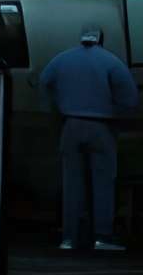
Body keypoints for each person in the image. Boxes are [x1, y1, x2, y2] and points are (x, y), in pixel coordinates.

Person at [36, 24, 137, 255]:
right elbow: (130, 98)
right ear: (101, 39)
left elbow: (43, 81)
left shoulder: (62, 59)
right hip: (101, 127)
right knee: (103, 184)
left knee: (72, 184)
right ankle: (102, 237)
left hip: (70, 125)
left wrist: (53, 107)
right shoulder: (111, 61)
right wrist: (117, 112)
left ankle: (69, 238)